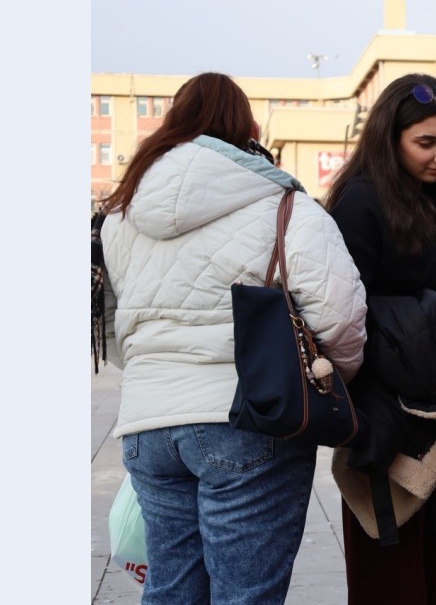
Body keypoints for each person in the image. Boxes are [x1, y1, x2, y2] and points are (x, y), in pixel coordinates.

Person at [99, 72, 367, 604]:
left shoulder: (121, 214)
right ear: (248, 128)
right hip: (249, 417)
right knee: (245, 595)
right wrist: (325, 380)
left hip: (148, 424)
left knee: (170, 588)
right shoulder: (285, 205)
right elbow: (341, 317)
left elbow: (115, 323)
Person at [323, 73, 436, 605]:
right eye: (427, 142)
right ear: (390, 139)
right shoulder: (361, 202)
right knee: (389, 577)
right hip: (385, 423)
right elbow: (339, 316)